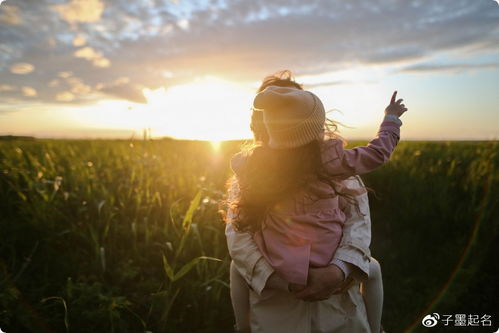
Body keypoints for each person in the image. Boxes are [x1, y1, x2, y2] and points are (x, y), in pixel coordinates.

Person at [225, 71, 407, 332]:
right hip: (275, 305)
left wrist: (337, 272)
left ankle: (240, 328)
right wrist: (391, 120)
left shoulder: (251, 168)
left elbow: (358, 224)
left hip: (339, 304)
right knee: (374, 269)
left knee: (235, 270)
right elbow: (239, 237)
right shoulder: (334, 163)